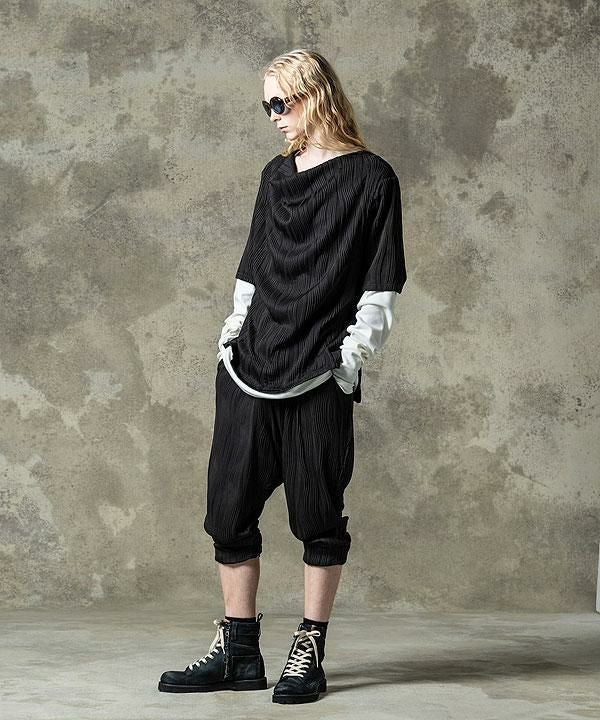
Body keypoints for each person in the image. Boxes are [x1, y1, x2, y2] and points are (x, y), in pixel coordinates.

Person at [158, 48, 407, 704]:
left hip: (318, 375)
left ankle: (309, 650)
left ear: (313, 96)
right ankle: (239, 651)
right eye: (266, 104)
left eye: (280, 102)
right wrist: (230, 339)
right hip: (249, 368)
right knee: (227, 514)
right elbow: (253, 268)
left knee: (318, 517)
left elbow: (382, 283)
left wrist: (347, 363)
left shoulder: (372, 179)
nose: (272, 115)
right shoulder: (275, 176)